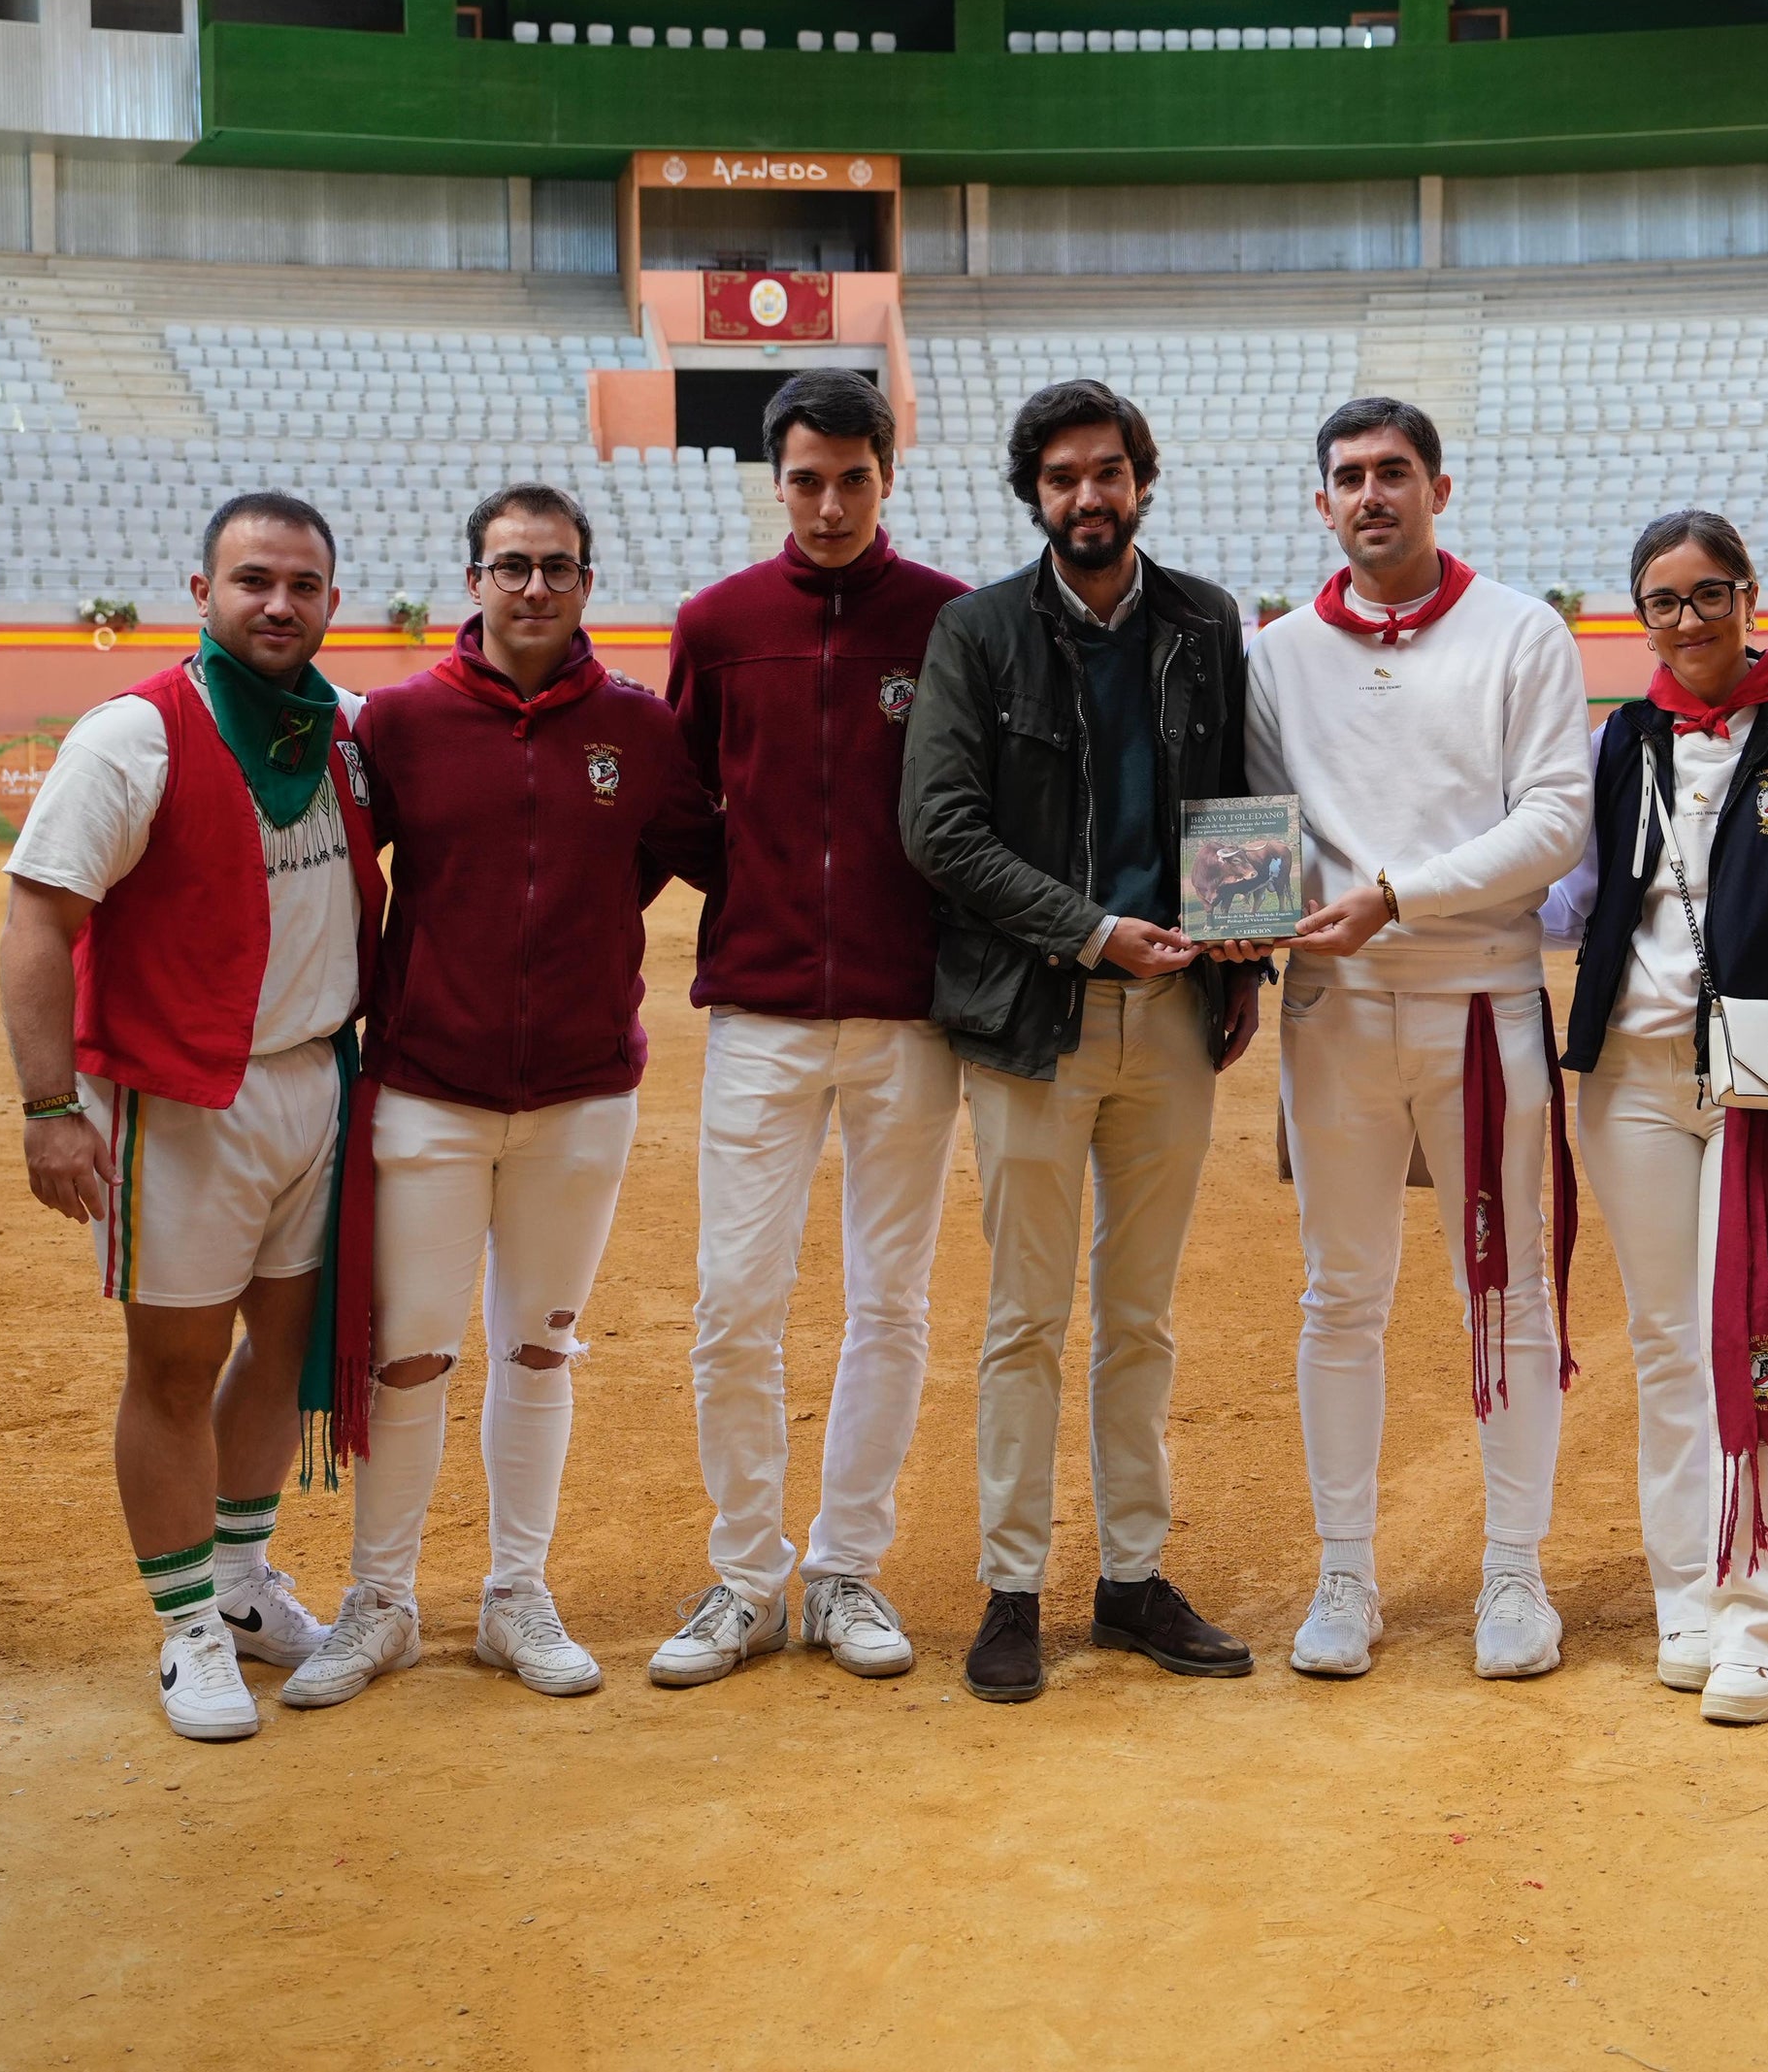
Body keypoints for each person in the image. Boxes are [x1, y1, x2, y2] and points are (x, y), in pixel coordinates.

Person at [279, 483, 719, 1708]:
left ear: (588, 582)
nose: (535, 585)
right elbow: (311, 870)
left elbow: (706, 854)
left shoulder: (638, 724)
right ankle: (382, 1598)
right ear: (472, 579)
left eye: (559, 566)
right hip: (427, 1086)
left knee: (540, 1348)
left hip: (583, 1093)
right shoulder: (402, 723)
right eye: (512, 564)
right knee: (410, 1355)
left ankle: (516, 1594)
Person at [899, 377, 1262, 1705]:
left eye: (1108, 472)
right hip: (1034, 1016)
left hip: (1171, 1017)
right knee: (1023, 1316)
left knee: (1142, 1315)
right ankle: (1010, 1587)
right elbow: (940, 829)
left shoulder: (1204, 622)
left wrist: (1242, 952)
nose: (1088, 496)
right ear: (1033, 493)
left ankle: (1128, 1578)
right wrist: (1091, 930)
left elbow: (1237, 805)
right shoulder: (977, 632)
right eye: (1063, 478)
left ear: (1142, 481)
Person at [0, 492, 377, 1744]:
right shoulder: (134, 735)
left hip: (314, 1080)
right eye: (252, 579)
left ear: (333, 600)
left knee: (284, 1344)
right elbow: (37, 920)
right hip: (180, 1095)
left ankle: (237, 1579)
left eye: (303, 584)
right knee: (172, 1363)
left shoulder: (345, 735)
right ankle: (185, 1629)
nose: (278, 603)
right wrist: (52, 1106)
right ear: (201, 591)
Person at [1245, 396, 1592, 1684]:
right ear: (1321, 502)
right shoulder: (1277, 653)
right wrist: (1246, 922)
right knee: (1341, 1292)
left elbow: (1557, 819)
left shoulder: (1521, 634)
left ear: (1440, 486)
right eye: (1349, 476)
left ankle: (1515, 1571)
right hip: (1333, 1010)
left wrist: (1398, 896)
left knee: (1506, 1294)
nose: (1373, 493)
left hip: (1485, 999)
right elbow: (1254, 819)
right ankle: (1346, 1573)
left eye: (1395, 471)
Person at [652, 369, 969, 1689]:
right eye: (804, 479)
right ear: (772, 482)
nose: (828, 503)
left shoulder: (953, 620)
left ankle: (844, 1567)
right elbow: (673, 801)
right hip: (762, 1013)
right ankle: (744, 1576)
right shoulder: (716, 624)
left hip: (911, 1017)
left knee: (889, 1302)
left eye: (853, 477)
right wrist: (763, 893)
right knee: (736, 1303)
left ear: (888, 476)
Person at [1545, 512, 1768, 1727]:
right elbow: (1573, 897)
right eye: (1661, 601)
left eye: (1706, 595)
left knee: (1752, 1332)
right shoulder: (1621, 738)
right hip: (1628, 1076)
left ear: (1750, 597)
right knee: (1661, 1340)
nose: (1685, 621)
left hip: (1767, 1081)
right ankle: (1688, 1592)